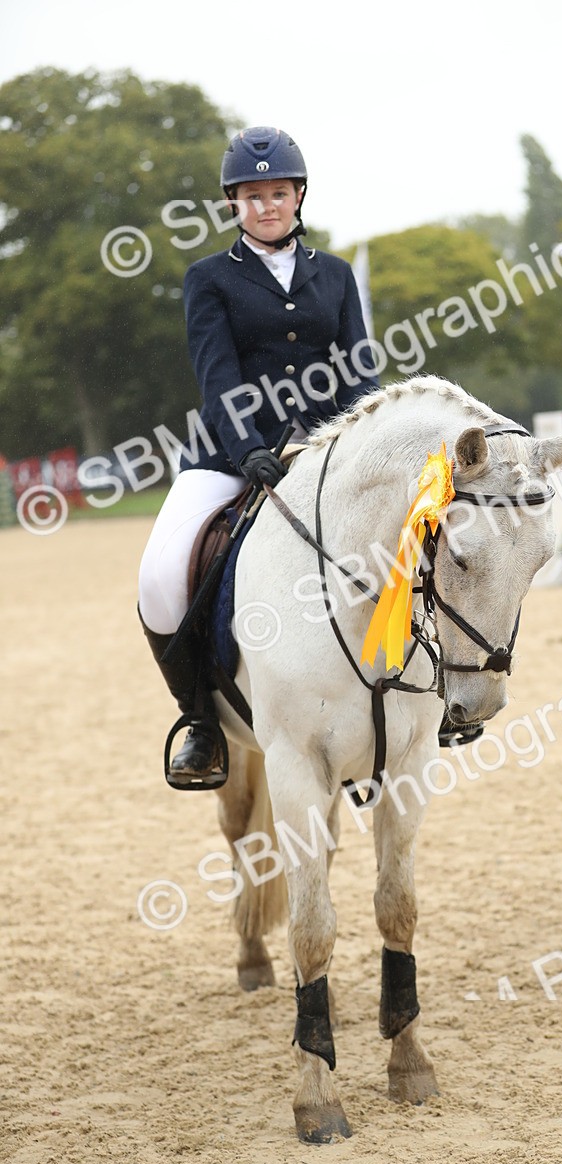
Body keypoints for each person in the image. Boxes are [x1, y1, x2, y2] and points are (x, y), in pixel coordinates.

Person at [138, 126, 379, 783]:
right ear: (232, 203)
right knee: (160, 577)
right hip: (231, 455)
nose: (266, 205)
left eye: (277, 193)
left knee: (406, 538)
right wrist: (247, 448)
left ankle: (423, 696)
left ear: (298, 196)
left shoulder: (335, 275)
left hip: (328, 449)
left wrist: (368, 437)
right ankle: (200, 720)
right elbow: (217, 377)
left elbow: (358, 371)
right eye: (252, 195)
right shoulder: (209, 278)